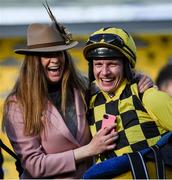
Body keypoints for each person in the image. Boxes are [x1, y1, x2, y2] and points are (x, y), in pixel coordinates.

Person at [1, 4, 153, 179]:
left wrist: (139, 79)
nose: (55, 60)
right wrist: (89, 150)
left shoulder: (82, 88)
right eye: (47, 55)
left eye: (60, 52)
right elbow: (35, 165)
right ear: (33, 62)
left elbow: (115, 83)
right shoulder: (17, 104)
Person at [83, 27, 172, 178]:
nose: (104, 72)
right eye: (98, 64)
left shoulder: (148, 97)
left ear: (126, 66)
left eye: (112, 64)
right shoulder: (88, 105)